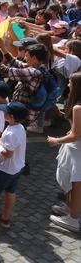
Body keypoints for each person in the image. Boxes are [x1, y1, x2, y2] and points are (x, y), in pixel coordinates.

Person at [49, 72, 81, 231]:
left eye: (70, 82)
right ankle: (70, 210)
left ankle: (73, 219)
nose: (68, 85)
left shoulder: (77, 107)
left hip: (77, 151)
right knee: (72, 184)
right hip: (76, 149)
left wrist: (56, 140)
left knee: (75, 186)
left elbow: (76, 135)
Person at [0, 40, 49, 133]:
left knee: (13, 133)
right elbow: (17, 64)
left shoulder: (33, 72)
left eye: (27, 56)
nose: (25, 58)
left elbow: (7, 72)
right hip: (22, 109)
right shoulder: (39, 67)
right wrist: (3, 48)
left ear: (34, 58)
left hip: (22, 112)